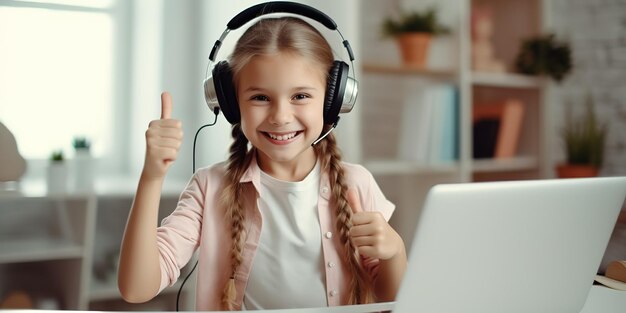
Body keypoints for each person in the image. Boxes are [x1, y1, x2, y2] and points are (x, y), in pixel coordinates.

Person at [117, 12, 407, 311]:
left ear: (334, 100)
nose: (280, 116)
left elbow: (392, 302)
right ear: (230, 103)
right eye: (260, 98)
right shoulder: (210, 188)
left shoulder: (356, 184)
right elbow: (137, 289)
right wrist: (152, 176)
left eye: (301, 96)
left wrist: (394, 253)